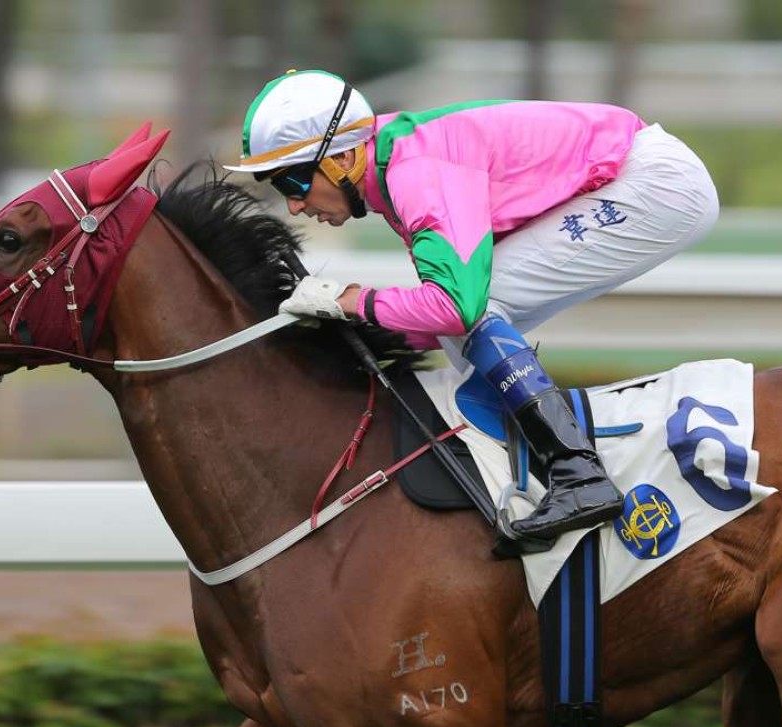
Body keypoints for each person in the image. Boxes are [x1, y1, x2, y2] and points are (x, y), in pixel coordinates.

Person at [224, 69, 719, 554]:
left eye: (293, 180)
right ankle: (536, 479)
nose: (292, 206)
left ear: (345, 156)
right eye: (277, 187)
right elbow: (439, 323)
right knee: (460, 332)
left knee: (475, 309)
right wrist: (354, 322)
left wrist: (350, 301)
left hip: (652, 183)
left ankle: (578, 472)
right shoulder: (398, 165)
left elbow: (456, 307)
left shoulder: (416, 172)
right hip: (644, 177)